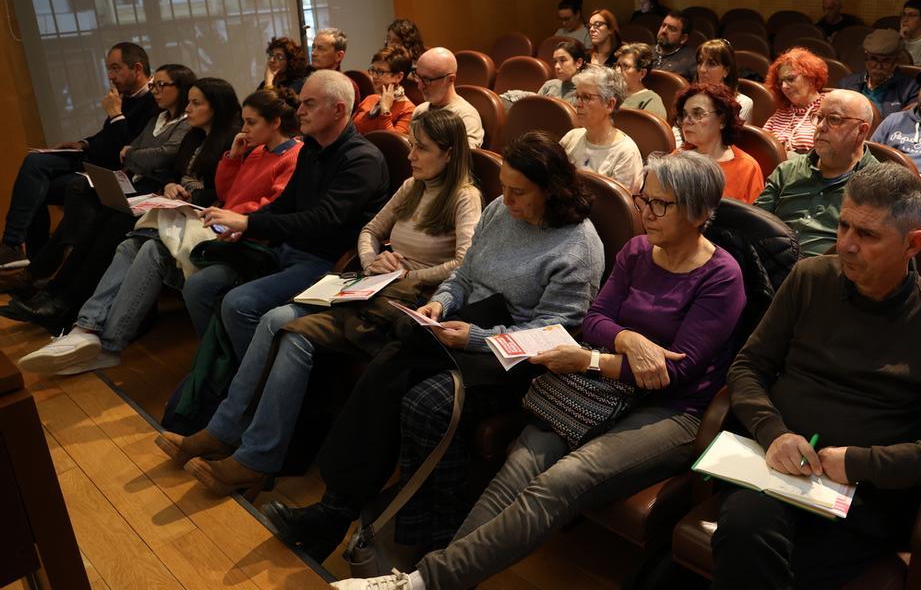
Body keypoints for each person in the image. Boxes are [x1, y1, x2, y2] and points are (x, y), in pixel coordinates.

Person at [335, 151, 746, 590]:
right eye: (644, 199)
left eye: (660, 204)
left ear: (700, 212)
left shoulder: (721, 276)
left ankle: (423, 582)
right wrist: (627, 339)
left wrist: (592, 359)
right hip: (603, 388)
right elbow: (595, 320)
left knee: (562, 480)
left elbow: (670, 375)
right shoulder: (638, 250)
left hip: (670, 410)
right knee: (521, 463)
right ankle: (428, 580)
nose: (646, 212)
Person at [259, 131, 603, 562]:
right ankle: (335, 509)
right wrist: (440, 303)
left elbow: (553, 333)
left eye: (519, 192)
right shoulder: (500, 210)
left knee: (423, 398)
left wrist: (475, 337)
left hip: (515, 358)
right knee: (391, 364)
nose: (508, 201)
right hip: (467, 326)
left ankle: (414, 532)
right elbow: (464, 275)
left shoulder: (578, 245)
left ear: (551, 190)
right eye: (505, 188)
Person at [155, 109, 482, 496]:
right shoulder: (413, 186)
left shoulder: (465, 196)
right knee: (273, 319)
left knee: (284, 328)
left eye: (422, 149)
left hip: (407, 302)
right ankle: (223, 432)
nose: (411, 155)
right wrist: (372, 259)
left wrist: (407, 274)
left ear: (448, 154)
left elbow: (465, 263)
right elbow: (370, 230)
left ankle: (255, 458)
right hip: (372, 283)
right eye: (411, 145)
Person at [711, 163, 921, 588]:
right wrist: (774, 432)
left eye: (868, 235)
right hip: (778, 467)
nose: (846, 245)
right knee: (745, 529)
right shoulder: (810, 279)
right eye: (843, 226)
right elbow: (748, 366)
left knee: (770, 563)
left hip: (862, 497)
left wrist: (860, 463)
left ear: (913, 244)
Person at [17, 88, 303, 375]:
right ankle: (87, 328)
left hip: (240, 234)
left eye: (251, 122)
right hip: (220, 224)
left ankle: (103, 341)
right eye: (243, 121)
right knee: (133, 244)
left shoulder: (292, 156)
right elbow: (227, 191)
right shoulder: (254, 152)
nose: (244, 129)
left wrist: (229, 214)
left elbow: (271, 207)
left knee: (147, 240)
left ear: (275, 122)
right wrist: (233, 158)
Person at [184, 70, 390, 358]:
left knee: (238, 304)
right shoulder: (311, 148)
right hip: (288, 250)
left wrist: (247, 221)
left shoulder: (362, 160)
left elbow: (322, 220)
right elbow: (284, 204)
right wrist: (246, 227)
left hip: (329, 264)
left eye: (309, 104)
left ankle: (254, 382)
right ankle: (222, 369)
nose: (299, 111)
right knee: (199, 286)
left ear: (338, 110)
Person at [7, 79, 242, 327]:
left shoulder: (230, 140)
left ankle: (65, 302)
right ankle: (54, 294)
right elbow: (171, 169)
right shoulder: (193, 135)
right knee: (106, 214)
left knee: (118, 224)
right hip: (172, 202)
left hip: (200, 211)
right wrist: (171, 184)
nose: (189, 109)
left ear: (216, 106)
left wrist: (191, 195)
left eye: (196, 104)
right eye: (189, 103)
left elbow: (226, 188)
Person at [4, 63, 197, 294]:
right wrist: (127, 152)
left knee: (86, 200)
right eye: (154, 85)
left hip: (149, 188)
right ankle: (40, 275)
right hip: (130, 177)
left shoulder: (180, 120)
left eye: (161, 85)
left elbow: (156, 154)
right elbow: (127, 150)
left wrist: (129, 146)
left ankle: (57, 281)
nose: (155, 90)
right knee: (45, 179)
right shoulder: (158, 116)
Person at [1, 41, 157, 269]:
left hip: (108, 171)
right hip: (91, 156)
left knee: (39, 183)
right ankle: (20, 252)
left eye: (116, 68)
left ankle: (31, 262)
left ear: (137, 69)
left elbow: (126, 150)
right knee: (34, 169)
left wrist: (115, 115)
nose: (111, 76)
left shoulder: (153, 102)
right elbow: (107, 136)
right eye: (108, 69)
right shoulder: (127, 95)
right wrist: (83, 143)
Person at [755, 89, 878, 255]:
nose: (820, 127)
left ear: (861, 131)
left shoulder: (879, 186)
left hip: (829, 275)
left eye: (834, 119)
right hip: (770, 263)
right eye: (819, 117)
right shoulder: (788, 169)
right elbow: (754, 224)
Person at [559, 66, 643, 191]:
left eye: (586, 97)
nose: (577, 104)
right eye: (577, 96)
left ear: (609, 104)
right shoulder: (571, 137)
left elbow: (619, 207)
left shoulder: (625, 153)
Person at [676, 83, 763, 203]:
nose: (686, 121)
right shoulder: (677, 157)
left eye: (697, 114)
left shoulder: (747, 168)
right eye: (684, 115)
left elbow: (756, 219)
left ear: (722, 120)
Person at [409, 48, 484, 149]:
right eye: (418, 77)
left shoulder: (466, 117)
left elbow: (464, 160)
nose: (420, 86)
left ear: (450, 79)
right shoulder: (420, 110)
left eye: (427, 80)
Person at [839, 28, 918, 116]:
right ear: (866, 59)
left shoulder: (911, 88)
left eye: (886, 61)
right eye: (873, 59)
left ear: (896, 62)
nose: (878, 66)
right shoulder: (846, 83)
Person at [762, 48, 827, 153]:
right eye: (780, 82)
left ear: (811, 78)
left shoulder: (828, 108)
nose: (784, 86)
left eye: (791, 79)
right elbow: (762, 146)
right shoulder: (780, 113)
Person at [353, 46, 417, 135]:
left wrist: (385, 110)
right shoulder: (370, 99)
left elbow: (392, 144)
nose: (374, 76)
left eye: (380, 72)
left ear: (398, 77)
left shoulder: (409, 110)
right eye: (373, 70)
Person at [696, 39, 753, 122]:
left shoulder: (743, 103)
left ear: (726, 71)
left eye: (711, 64)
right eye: (700, 62)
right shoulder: (690, 98)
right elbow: (676, 132)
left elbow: (733, 134)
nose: (702, 69)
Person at [616, 42, 668, 120]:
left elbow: (652, 131)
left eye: (626, 66)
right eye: (618, 65)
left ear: (642, 73)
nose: (618, 71)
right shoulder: (611, 92)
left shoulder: (650, 100)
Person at [534, 39, 586, 104]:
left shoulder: (587, 93)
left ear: (578, 63)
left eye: (563, 60)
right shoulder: (549, 85)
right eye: (555, 61)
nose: (556, 66)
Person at [654, 10, 697, 79]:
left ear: (683, 38)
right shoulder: (645, 52)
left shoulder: (692, 60)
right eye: (663, 25)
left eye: (672, 29)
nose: (664, 31)